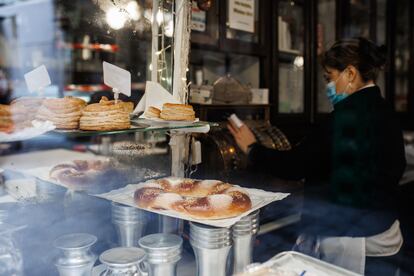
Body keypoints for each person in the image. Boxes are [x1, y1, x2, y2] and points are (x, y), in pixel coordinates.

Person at [228, 37, 406, 275]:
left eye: (329, 77)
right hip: (386, 233)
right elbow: (396, 167)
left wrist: (252, 148)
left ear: (350, 73)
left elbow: (295, 165)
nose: (328, 86)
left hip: (358, 241)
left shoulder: (345, 118)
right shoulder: (385, 110)